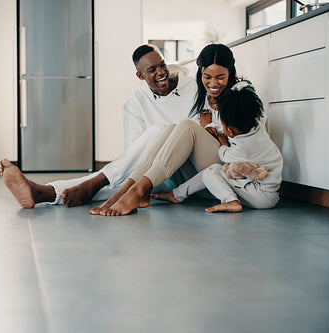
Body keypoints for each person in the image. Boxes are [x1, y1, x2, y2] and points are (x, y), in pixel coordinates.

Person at [0, 44, 197, 208]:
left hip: (192, 168)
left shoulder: (194, 87)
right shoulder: (135, 103)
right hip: (160, 173)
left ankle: (92, 183)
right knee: (124, 180)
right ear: (140, 76)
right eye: (152, 70)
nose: (161, 72)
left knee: (163, 130)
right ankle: (46, 193)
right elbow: (134, 155)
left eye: (162, 65)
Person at [90, 43, 245, 216]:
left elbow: (241, 137)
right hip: (200, 177)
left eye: (220, 77)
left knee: (185, 126)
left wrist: (210, 129)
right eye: (207, 76)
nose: (213, 83)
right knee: (171, 128)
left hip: (229, 169)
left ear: (230, 72)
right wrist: (205, 127)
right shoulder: (204, 93)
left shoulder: (240, 92)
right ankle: (127, 191)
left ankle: (137, 192)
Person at [152, 82, 283, 213]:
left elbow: (224, 155)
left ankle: (230, 201)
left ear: (230, 132)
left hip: (259, 196)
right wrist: (210, 126)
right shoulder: (257, 127)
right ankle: (176, 194)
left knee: (212, 171)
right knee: (212, 171)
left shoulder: (243, 149)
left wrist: (223, 144)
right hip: (269, 192)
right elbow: (231, 130)